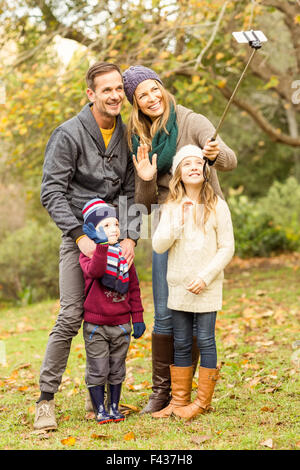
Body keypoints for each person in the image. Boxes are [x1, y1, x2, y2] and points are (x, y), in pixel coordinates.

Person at [122, 65, 237, 414]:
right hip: (167, 219)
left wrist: (214, 154)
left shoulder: (192, 121)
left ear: (163, 87)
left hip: (200, 217)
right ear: (136, 103)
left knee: (197, 304)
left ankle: (191, 398)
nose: (152, 98)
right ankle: (165, 393)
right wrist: (145, 178)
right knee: (165, 309)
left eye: (154, 89)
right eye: (143, 95)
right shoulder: (139, 137)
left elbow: (230, 161)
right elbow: (143, 205)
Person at [34, 62, 139, 431]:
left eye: (118, 89)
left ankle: (104, 398)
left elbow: (130, 191)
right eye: (105, 89)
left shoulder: (128, 134)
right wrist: (80, 236)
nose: (114, 96)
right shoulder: (68, 134)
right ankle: (45, 400)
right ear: (91, 94)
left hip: (116, 241)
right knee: (70, 315)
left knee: (114, 316)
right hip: (79, 241)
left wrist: (130, 236)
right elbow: (51, 192)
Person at [151, 144, 235, 419]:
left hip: (206, 286)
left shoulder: (217, 206)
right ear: (179, 174)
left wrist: (205, 277)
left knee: (205, 340)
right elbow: (159, 245)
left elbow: (227, 248)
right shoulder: (172, 207)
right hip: (179, 287)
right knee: (183, 342)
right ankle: (178, 401)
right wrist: (179, 219)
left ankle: (201, 402)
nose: (194, 167)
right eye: (187, 164)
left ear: (205, 170)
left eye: (198, 163)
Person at [79, 198, 145, 424]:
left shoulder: (124, 256)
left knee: (117, 368)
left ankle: (114, 407)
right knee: (98, 369)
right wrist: (100, 247)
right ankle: (99, 409)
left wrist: (137, 318)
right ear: (92, 230)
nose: (114, 229)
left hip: (121, 325)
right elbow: (96, 272)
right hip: (96, 326)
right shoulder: (89, 255)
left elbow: (134, 288)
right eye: (106, 225)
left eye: (115, 224)